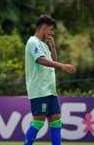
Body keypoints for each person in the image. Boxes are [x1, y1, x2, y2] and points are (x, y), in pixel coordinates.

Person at [24, 15, 77, 145]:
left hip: (50, 90)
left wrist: (52, 46)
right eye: (51, 29)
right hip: (39, 90)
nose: (52, 33)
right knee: (39, 121)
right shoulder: (33, 42)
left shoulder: (44, 44)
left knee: (56, 120)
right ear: (44, 27)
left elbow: (53, 60)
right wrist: (63, 66)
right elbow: (41, 60)